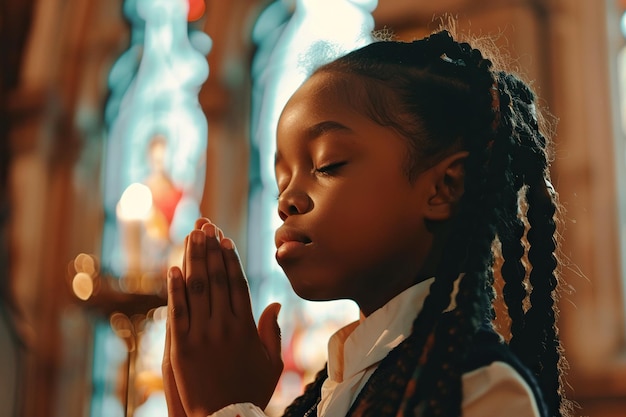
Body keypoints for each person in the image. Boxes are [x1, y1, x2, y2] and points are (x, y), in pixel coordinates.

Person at [162, 28, 573, 417]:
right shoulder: (343, 384)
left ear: (444, 187)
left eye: (328, 164)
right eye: (281, 180)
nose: (287, 200)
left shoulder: (478, 387)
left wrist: (227, 408)